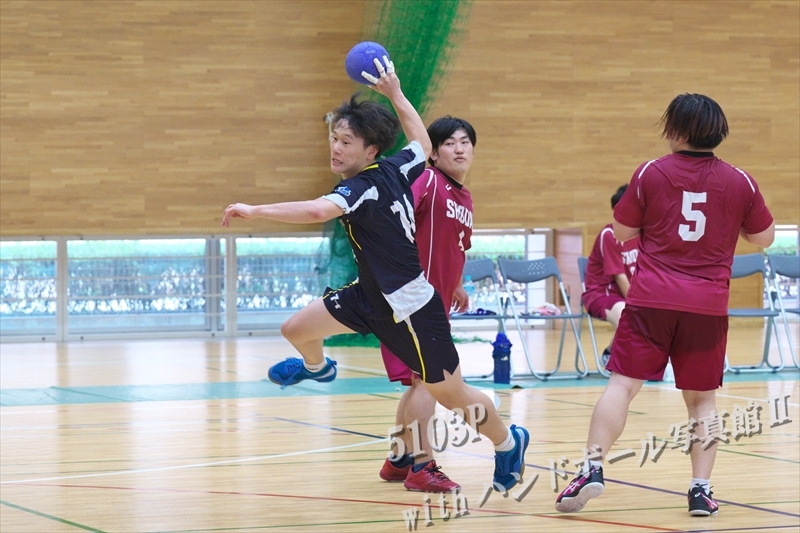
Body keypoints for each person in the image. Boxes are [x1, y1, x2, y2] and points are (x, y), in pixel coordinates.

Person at [221, 58, 529, 492]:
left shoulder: (360, 188)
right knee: (296, 329)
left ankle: (507, 442)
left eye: (346, 142)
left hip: (412, 307)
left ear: (370, 151)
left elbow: (316, 211)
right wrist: (395, 93)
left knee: (451, 394)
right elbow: (422, 141)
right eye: (334, 138)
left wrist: (255, 210)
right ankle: (318, 368)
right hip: (369, 296)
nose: (335, 148)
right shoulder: (399, 167)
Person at [555, 93, 774, 516]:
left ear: (675, 130)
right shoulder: (740, 181)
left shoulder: (651, 172)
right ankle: (700, 491)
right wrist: (734, 227)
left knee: (622, 386)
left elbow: (622, 231)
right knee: (702, 402)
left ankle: (591, 469)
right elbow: (764, 238)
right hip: (707, 306)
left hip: (651, 300)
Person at [378, 116, 476, 492]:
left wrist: (457, 284)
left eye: (465, 142)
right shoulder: (428, 180)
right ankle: (422, 466)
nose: (459, 148)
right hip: (411, 299)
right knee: (429, 382)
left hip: (434, 302)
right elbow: (394, 213)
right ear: (433, 153)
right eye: (449, 143)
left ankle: (400, 459)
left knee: (419, 381)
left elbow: (457, 245)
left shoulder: (463, 196)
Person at [583, 184, 639, 367]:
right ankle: (613, 355)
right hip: (602, 294)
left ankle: (613, 352)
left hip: (629, 295)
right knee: (630, 317)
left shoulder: (643, 234)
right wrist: (638, 304)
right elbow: (619, 276)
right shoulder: (609, 235)